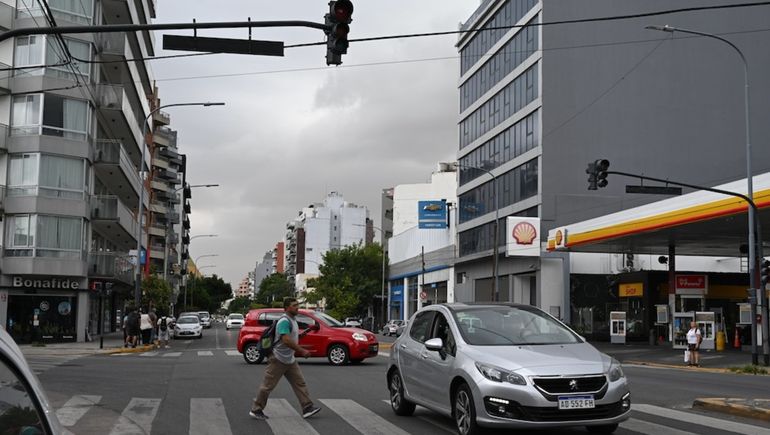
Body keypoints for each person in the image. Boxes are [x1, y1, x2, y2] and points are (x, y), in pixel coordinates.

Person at [249, 297, 320, 421]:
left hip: (289, 359)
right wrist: (302, 351)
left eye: (297, 304)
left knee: (300, 383)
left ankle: (307, 407)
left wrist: (305, 333)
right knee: (267, 386)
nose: (297, 307)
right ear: (287, 308)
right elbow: (285, 339)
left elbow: (291, 337)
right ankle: (256, 409)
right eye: (294, 305)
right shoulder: (284, 321)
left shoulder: (292, 320)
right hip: (278, 359)